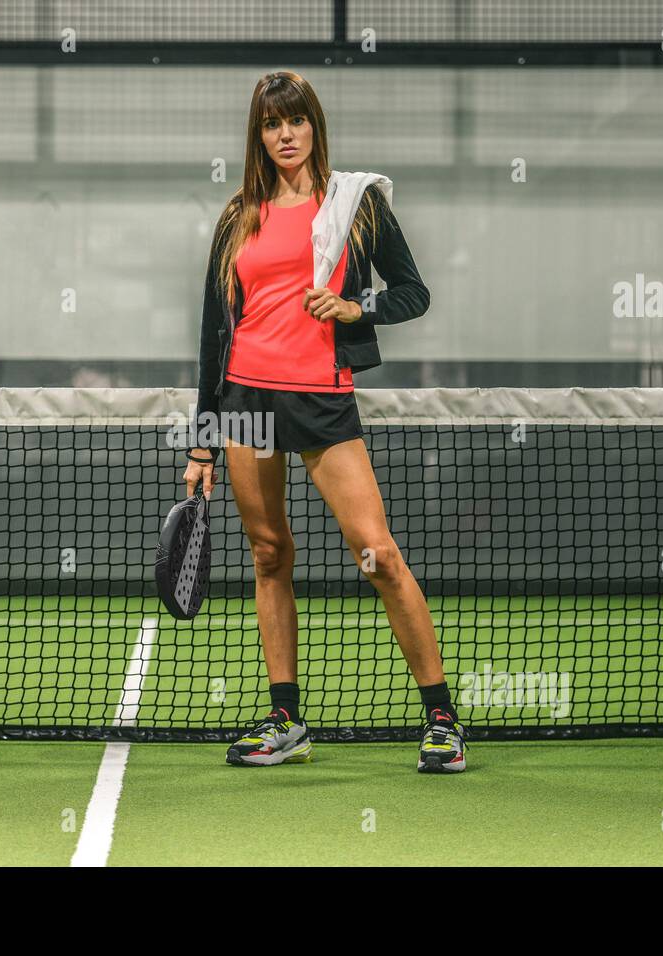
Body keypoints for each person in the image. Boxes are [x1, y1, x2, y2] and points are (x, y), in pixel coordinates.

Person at [184, 71, 466, 774]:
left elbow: (413, 292)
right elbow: (215, 333)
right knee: (270, 554)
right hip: (246, 400)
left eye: (296, 121)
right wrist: (203, 441)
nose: (285, 134)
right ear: (258, 134)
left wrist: (356, 309)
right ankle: (286, 718)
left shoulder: (356, 204)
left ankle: (441, 719)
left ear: (314, 126)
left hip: (320, 398)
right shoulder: (237, 216)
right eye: (272, 124)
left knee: (378, 555)